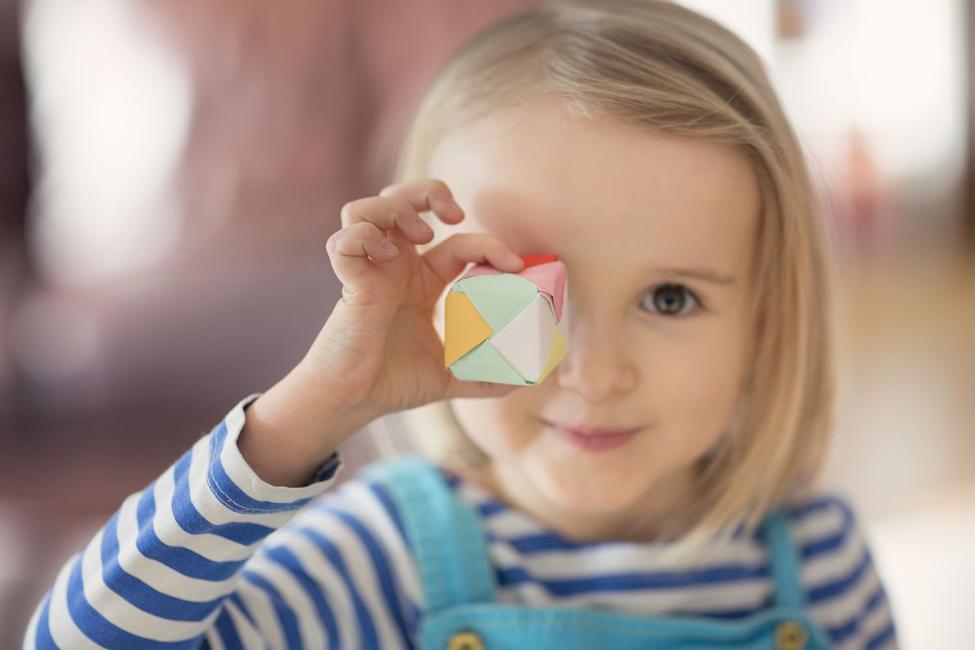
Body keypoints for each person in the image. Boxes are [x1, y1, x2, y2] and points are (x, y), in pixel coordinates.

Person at [24, 1, 898, 647]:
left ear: (767, 320)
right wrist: (313, 408)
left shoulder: (816, 558)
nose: (593, 372)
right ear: (437, 301)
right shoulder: (381, 555)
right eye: (528, 290)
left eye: (668, 299)